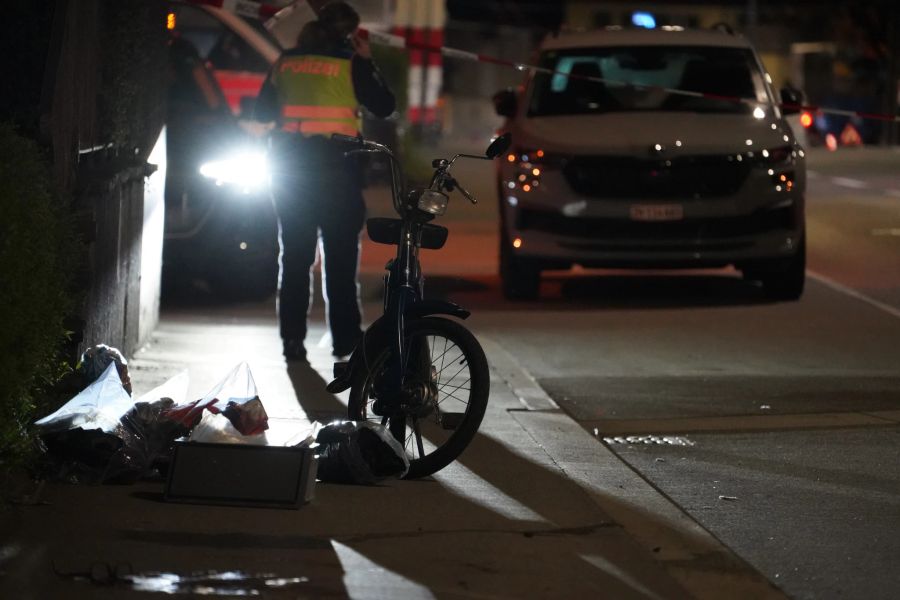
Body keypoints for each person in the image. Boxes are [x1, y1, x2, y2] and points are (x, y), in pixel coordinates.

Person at [254, 2, 395, 362]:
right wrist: (367, 61)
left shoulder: (287, 61)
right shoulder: (350, 63)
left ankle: (292, 343)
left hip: (291, 172)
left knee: (295, 259)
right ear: (348, 33)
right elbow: (384, 104)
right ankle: (345, 341)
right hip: (338, 173)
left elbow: (262, 113)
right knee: (340, 261)